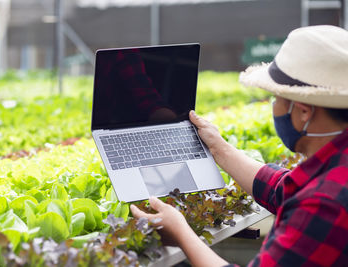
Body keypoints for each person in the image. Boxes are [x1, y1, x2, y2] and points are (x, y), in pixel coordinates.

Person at [131, 25, 348, 266]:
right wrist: (218, 148)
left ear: (304, 111)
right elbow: (285, 189)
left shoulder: (324, 206)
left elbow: (310, 200)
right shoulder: (336, 165)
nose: (273, 106)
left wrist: (181, 232)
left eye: (276, 98)